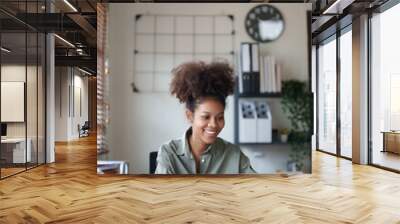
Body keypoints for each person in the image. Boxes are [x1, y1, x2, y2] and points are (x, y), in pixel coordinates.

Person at [155, 60, 256, 174]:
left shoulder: (233, 154)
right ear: (190, 116)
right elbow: (163, 191)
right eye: (206, 117)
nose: (213, 124)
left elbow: (257, 188)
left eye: (220, 117)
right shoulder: (169, 153)